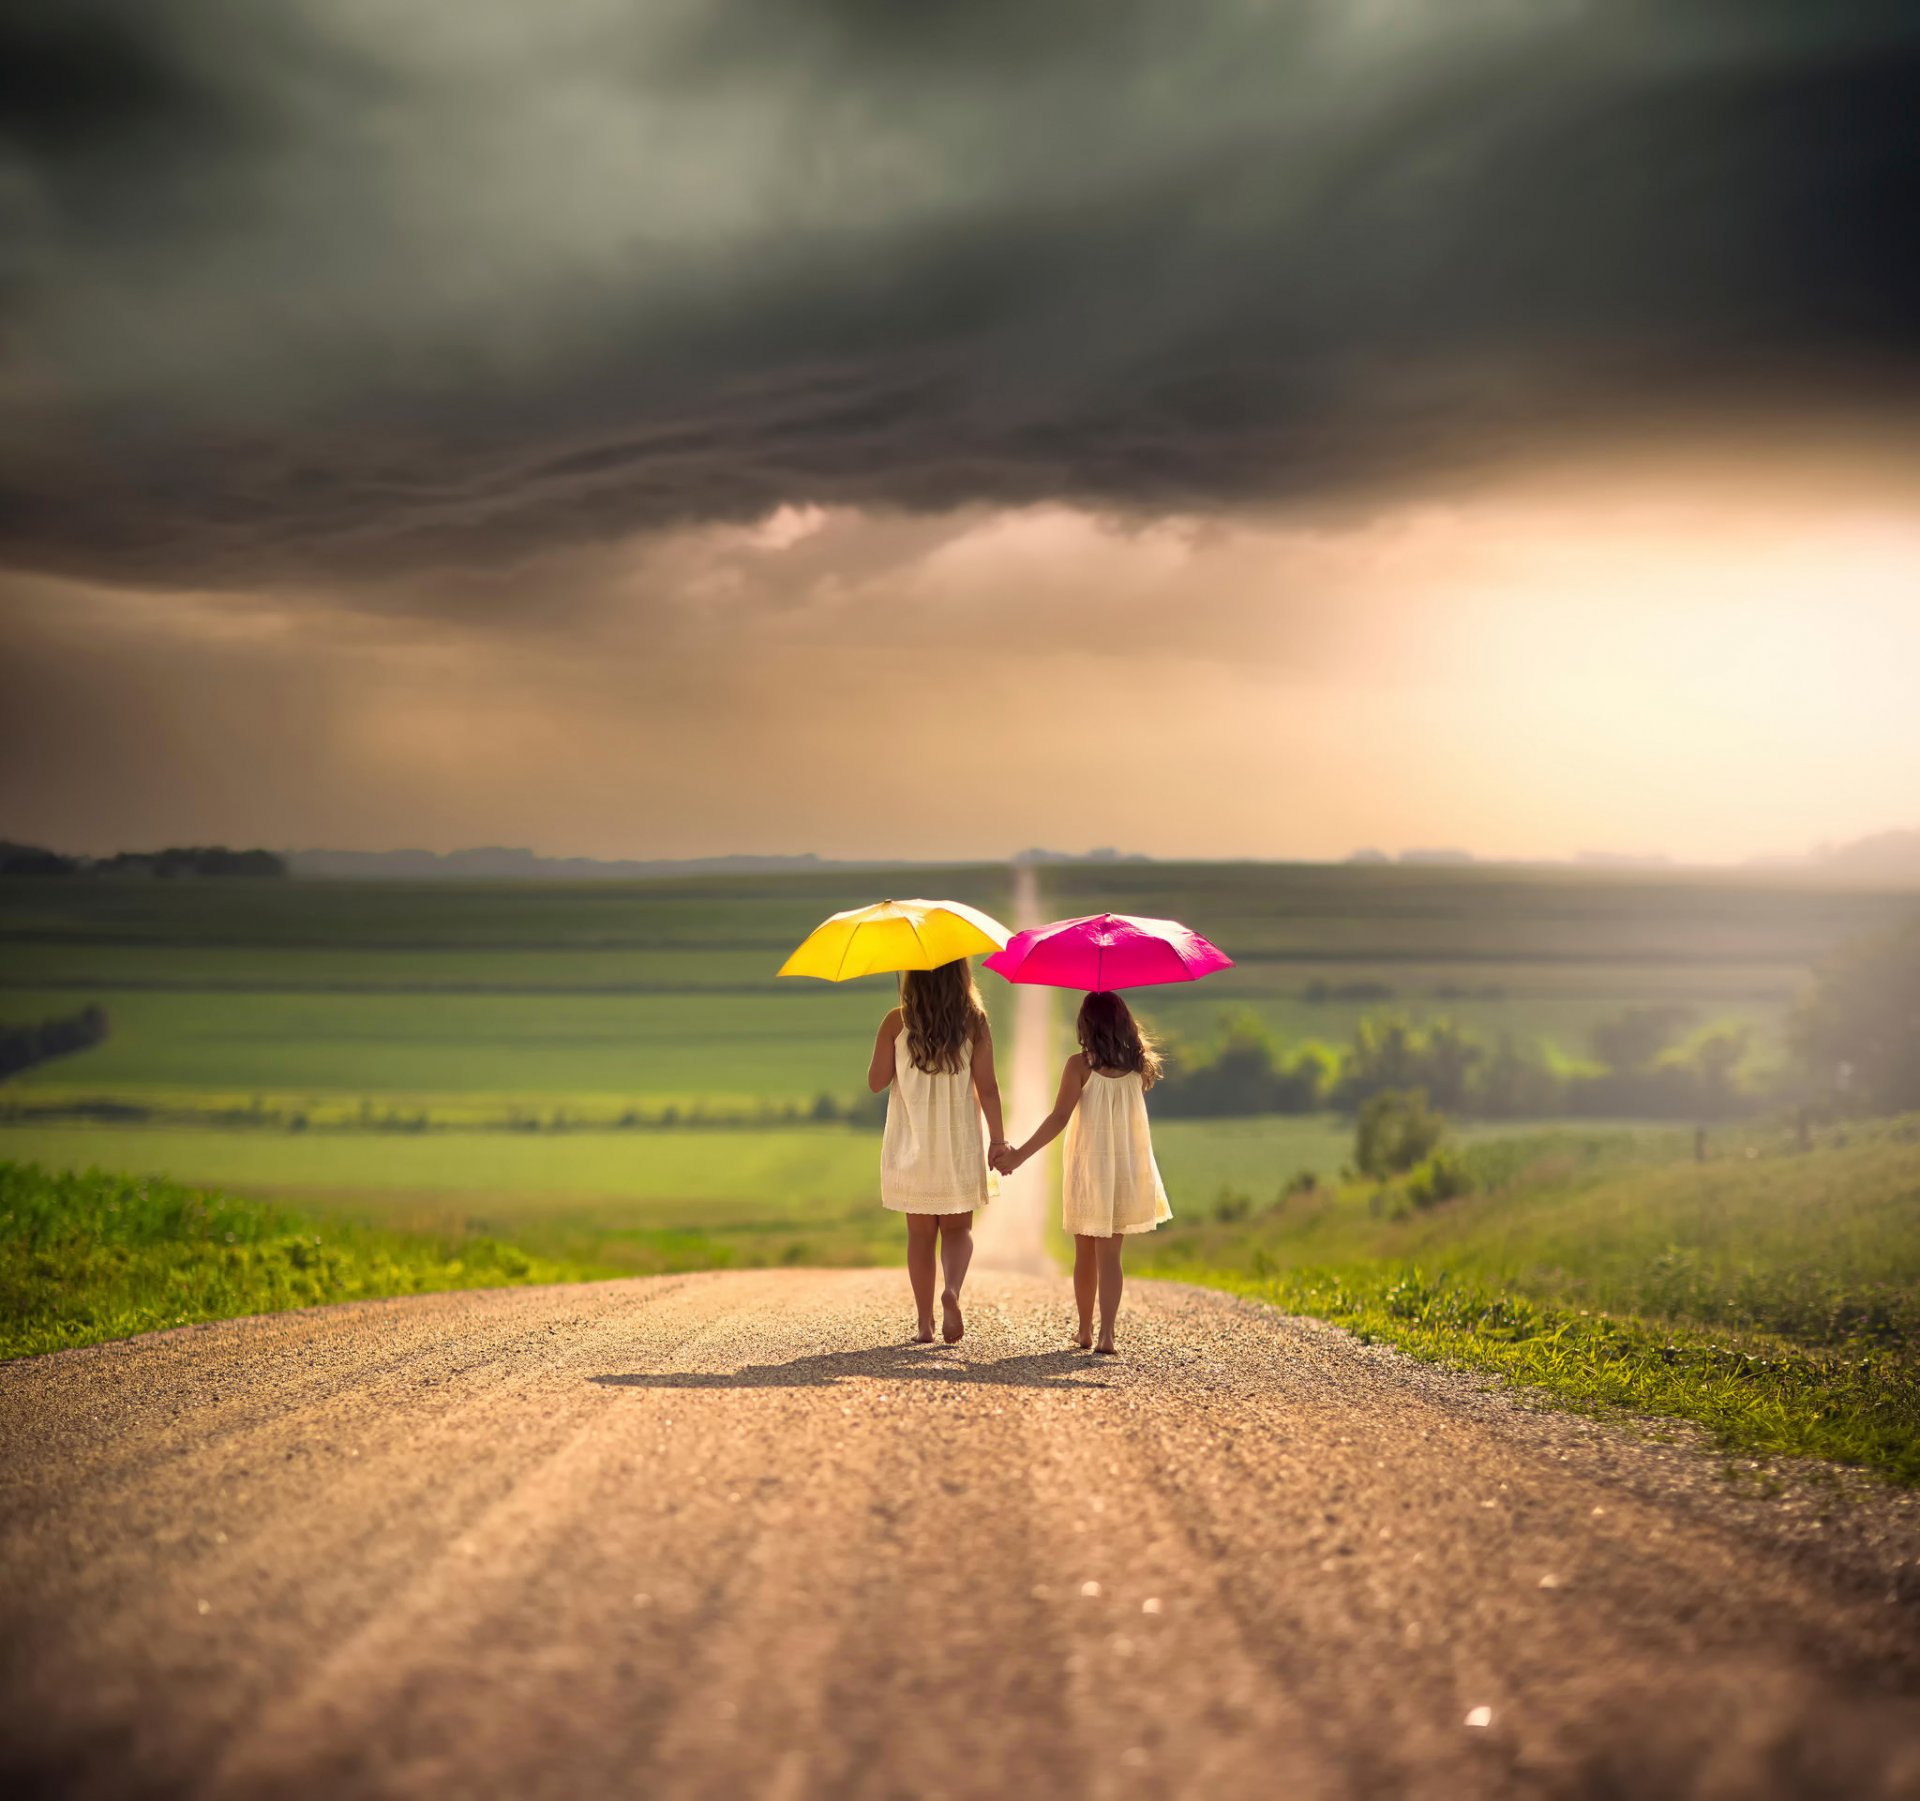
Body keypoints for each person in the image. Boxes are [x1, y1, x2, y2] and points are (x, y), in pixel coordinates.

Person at [995, 990, 1169, 1354]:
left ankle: (1085, 1330)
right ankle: (1107, 1334)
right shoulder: (1139, 1067)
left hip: (1089, 1167)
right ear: (1124, 1023)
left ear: (1085, 1025)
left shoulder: (1079, 1066)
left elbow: (1059, 1118)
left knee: (1084, 1254)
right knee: (1111, 1257)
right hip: (1126, 1167)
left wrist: (1019, 1156)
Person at [868, 959, 1007, 1344]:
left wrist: (895, 1043)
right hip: (958, 1144)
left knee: (920, 1236)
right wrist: (998, 1141)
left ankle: (924, 1323)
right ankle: (953, 1292)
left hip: (911, 1145)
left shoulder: (896, 1022)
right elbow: (989, 1088)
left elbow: (876, 1082)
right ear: (960, 976)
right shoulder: (974, 1021)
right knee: (959, 1230)